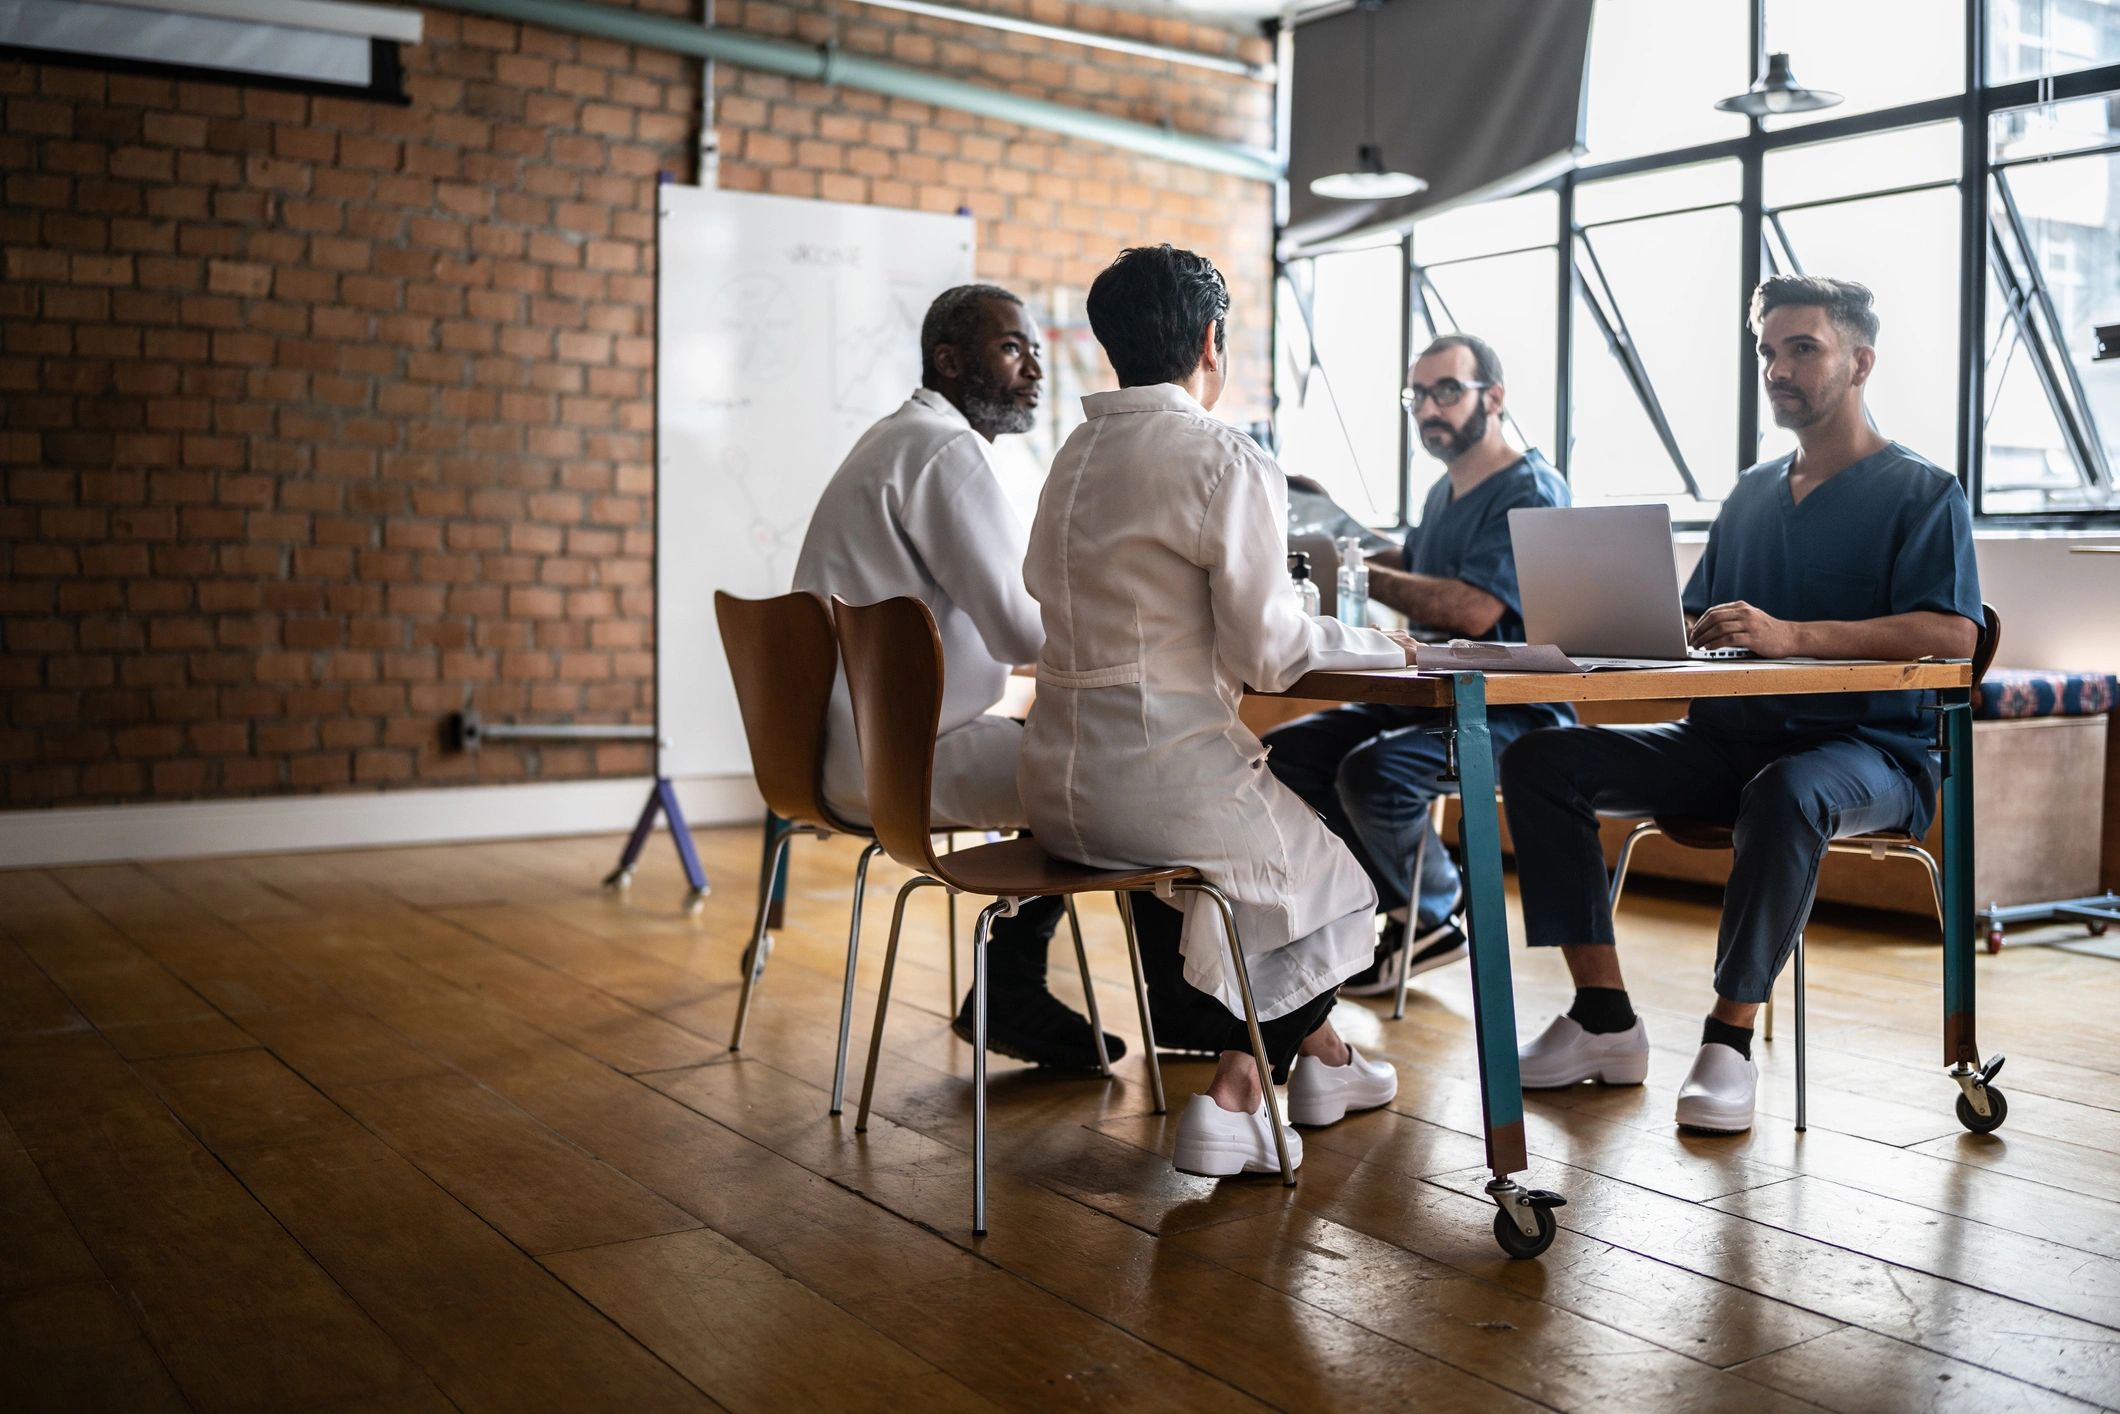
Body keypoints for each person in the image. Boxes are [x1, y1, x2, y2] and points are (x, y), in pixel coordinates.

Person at [1500, 275, 1982, 1133]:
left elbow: (1952, 633)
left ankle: (1728, 1041)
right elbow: (1697, 615)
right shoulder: (1750, 494)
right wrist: (1639, 620)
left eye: (1804, 348)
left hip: (1870, 755)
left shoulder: (1923, 492)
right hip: (1724, 743)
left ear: (1861, 361)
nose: (1778, 369)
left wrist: (1793, 637)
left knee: (1790, 790)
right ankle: (1604, 1020)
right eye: (1767, 351)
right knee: (1540, 758)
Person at [1017, 244, 1417, 1178]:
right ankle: (1237, 1093)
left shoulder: (1071, 458)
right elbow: (1272, 653)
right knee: (1330, 888)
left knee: (1265, 878)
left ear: (1110, 345)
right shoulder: (1224, 456)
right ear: (1212, 342)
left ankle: (1323, 1064)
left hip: (1057, 788)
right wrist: (1382, 645)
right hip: (1164, 786)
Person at [792, 283, 1122, 1072]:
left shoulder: (896, 439)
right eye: (1012, 348)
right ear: (948, 360)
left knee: (1064, 757)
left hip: (854, 752)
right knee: (1112, 776)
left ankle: (1010, 988)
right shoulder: (943, 450)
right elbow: (1021, 630)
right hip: (902, 761)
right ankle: (1022, 992)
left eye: (1036, 350)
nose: (1034, 369)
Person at [1265, 335, 1572, 995]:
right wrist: (1333, 522)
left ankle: (1433, 912)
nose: (1429, 407)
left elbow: (1470, 610)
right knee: (1285, 758)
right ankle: (1382, 907)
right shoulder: (1443, 494)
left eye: (1447, 391)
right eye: (1418, 395)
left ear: (1493, 397)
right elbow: (1415, 570)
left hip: (1510, 712)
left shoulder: (1530, 489)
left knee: (1373, 773)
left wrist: (1352, 567)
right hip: (1428, 698)